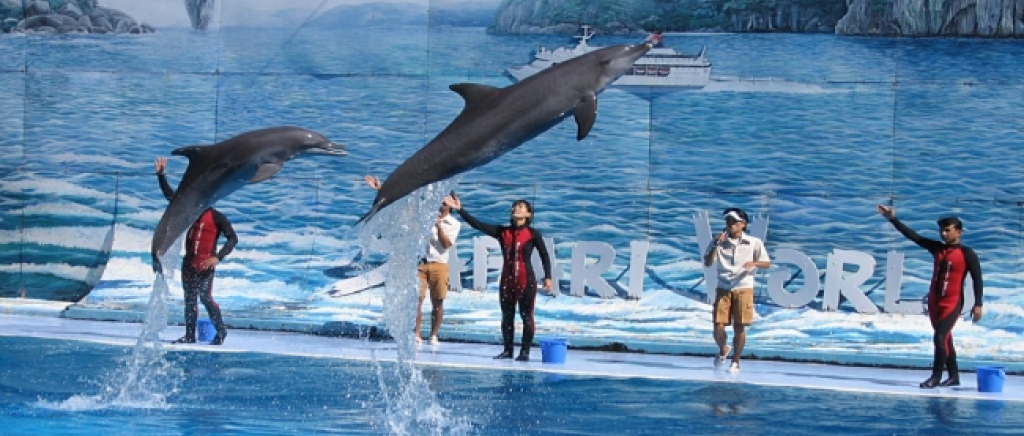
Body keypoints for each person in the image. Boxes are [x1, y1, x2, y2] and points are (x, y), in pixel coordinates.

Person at [877, 204, 983, 388]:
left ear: (958, 232)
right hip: (934, 302)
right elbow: (913, 236)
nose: (943, 234)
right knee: (945, 337)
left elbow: (977, 279)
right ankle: (954, 376)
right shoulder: (937, 249)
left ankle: (936, 377)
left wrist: (978, 304)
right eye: (942, 231)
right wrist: (892, 219)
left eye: (948, 230)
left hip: (952, 302)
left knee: (940, 337)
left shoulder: (967, 254)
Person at [444, 194, 553, 361]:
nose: (516, 208)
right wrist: (460, 210)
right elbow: (477, 224)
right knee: (507, 317)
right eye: (514, 206)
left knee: (526, 316)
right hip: (507, 281)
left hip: (526, 281)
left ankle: (524, 352)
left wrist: (548, 277)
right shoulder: (503, 232)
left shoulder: (532, 234)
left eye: (521, 207)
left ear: (528, 214)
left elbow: (545, 255)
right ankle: (508, 350)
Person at [363, 175, 461, 345]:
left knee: (438, 301)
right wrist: (382, 189)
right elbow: (403, 205)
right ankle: (416, 333)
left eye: (447, 198)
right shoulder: (424, 217)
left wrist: (438, 225)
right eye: (441, 197)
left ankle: (434, 334)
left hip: (439, 264)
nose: (443, 201)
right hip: (420, 263)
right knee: (417, 300)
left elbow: (446, 245)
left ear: (452, 203)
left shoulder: (454, 223)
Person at [155, 157, 237, 345]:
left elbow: (232, 238)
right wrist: (161, 175)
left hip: (205, 265)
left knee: (206, 298)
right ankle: (189, 335)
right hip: (189, 263)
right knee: (190, 300)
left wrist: (217, 257)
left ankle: (221, 332)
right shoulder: (189, 212)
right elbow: (171, 198)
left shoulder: (217, 217)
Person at [702, 208, 771, 373]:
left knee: (739, 327)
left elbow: (766, 263)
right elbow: (708, 262)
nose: (730, 224)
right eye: (728, 221)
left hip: (743, 287)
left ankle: (736, 361)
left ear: (743, 224)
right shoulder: (718, 241)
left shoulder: (753, 242)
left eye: (734, 221)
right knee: (718, 326)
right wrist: (715, 244)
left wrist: (754, 263)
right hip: (723, 287)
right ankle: (723, 349)